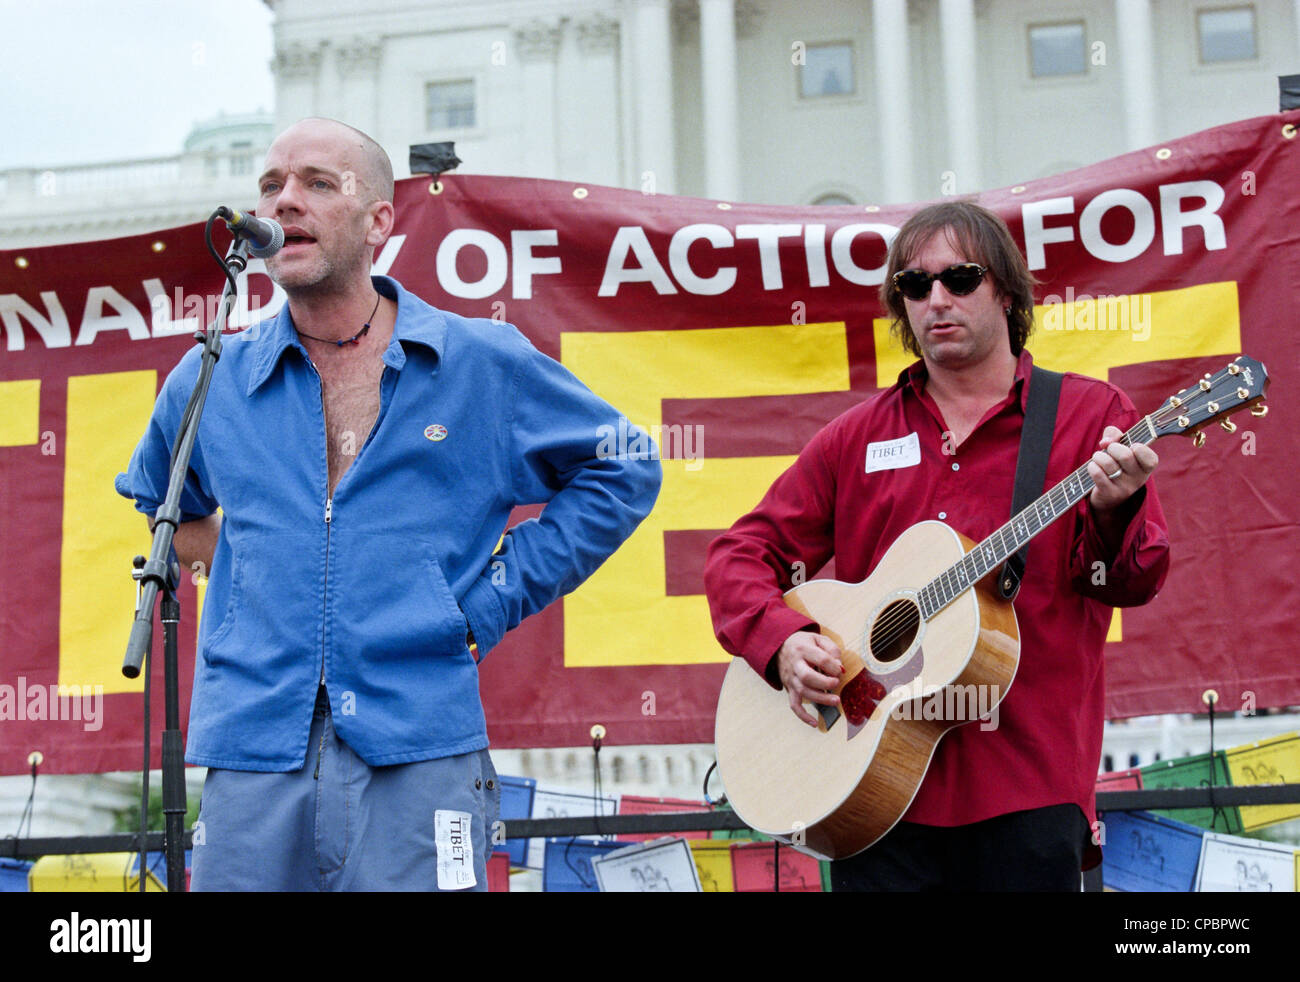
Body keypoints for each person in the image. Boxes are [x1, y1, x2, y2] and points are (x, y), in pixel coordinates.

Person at [118, 118, 661, 891]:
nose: (285, 200)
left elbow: (626, 465)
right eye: (271, 185)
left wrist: (491, 601)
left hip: (420, 746)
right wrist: (250, 590)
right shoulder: (212, 375)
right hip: (252, 752)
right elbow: (165, 503)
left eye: (317, 183)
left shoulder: (480, 361)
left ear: (379, 221)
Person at [703, 201, 1170, 891]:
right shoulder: (854, 438)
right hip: (870, 792)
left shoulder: (1089, 417)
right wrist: (782, 643)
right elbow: (739, 556)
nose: (936, 300)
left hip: (1027, 786)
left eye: (959, 278)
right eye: (915, 287)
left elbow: (1131, 580)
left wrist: (1115, 507)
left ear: (1006, 291)